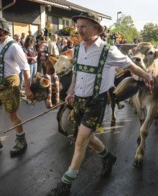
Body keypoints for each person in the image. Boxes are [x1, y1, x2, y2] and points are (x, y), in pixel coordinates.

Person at [47, 12, 152, 195]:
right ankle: (108, 157)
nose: (79, 29)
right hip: (79, 101)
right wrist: (71, 91)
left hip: (96, 102)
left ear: (96, 29)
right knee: (88, 139)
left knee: (80, 141)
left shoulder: (108, 50)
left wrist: (148, 76)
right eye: (78, 26)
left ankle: (66, 184)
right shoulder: (78, 49)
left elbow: (130, 66)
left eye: (83, 26)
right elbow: (77, 73)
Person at [0, 17, 34, 157]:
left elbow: (25, 68)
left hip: (10, 85)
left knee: (12, 115)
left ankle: (21, 141)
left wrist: (27, 88)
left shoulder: (14, 46)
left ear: (3, 30)